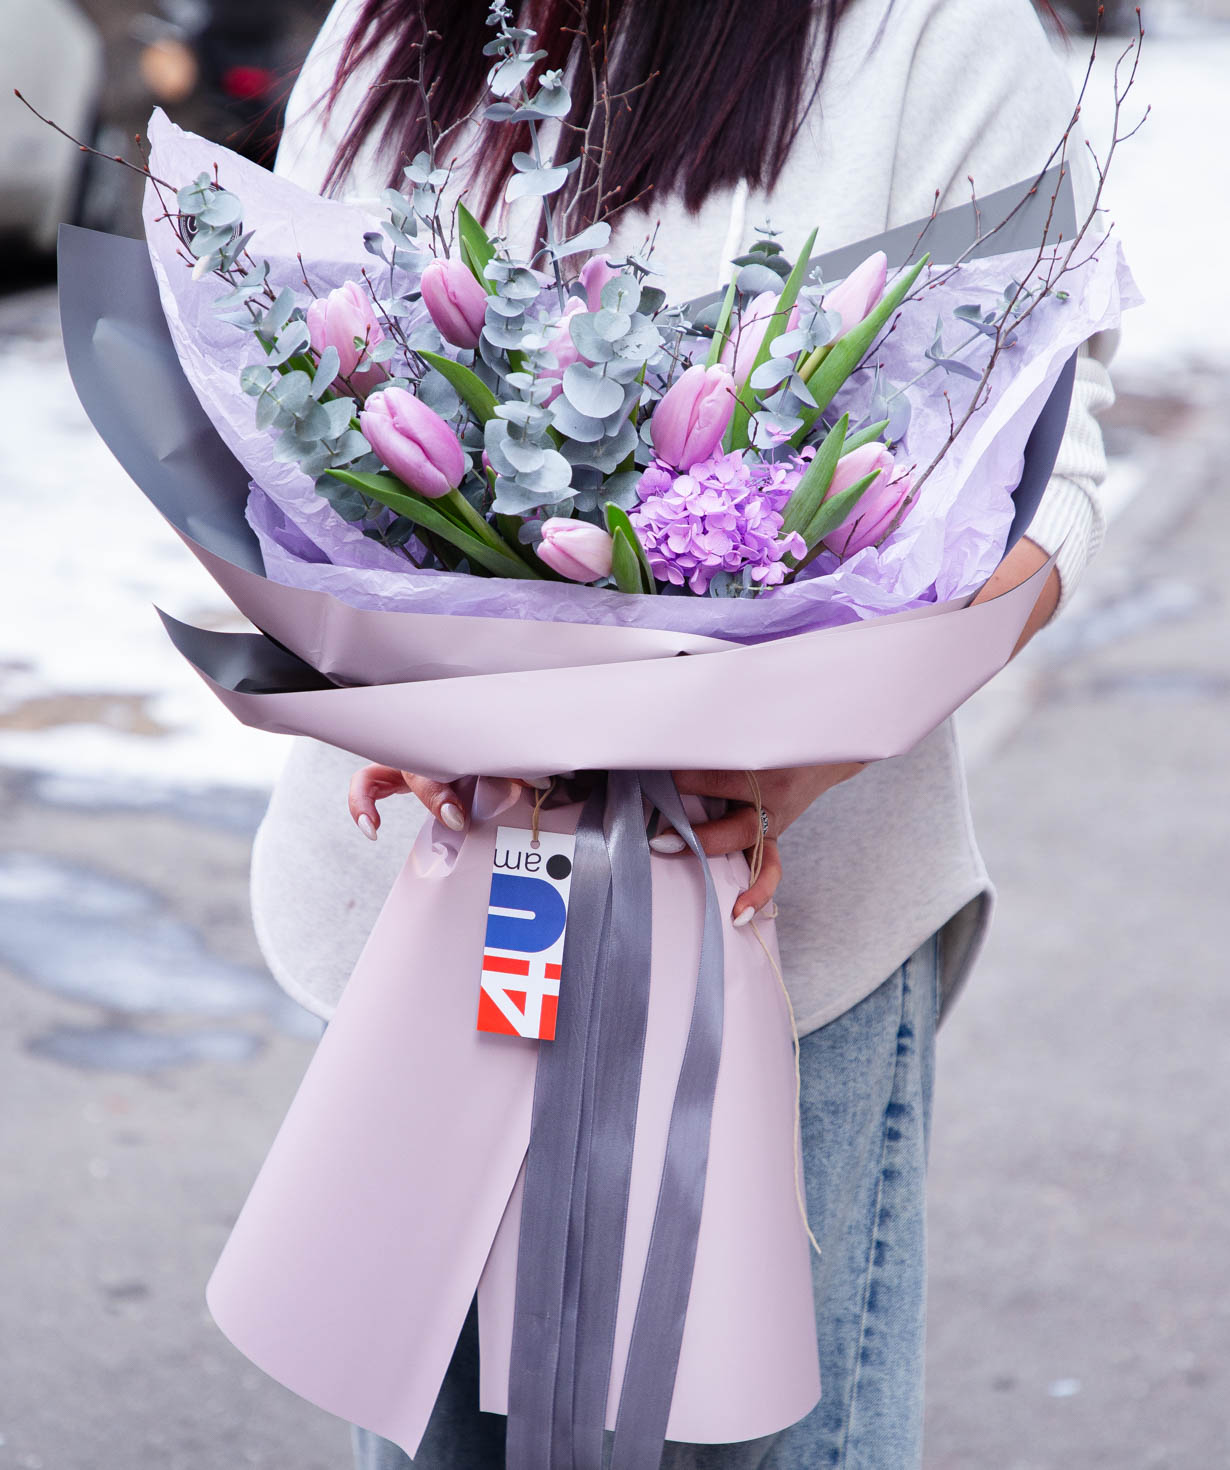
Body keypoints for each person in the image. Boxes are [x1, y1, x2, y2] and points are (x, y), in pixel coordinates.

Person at [260, 1, 1116, 1464]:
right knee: (444, 1426)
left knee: (750, 1427)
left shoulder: (934, 39)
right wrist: (388, 689)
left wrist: (793, 757)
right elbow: (283, 414)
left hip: (773, 941)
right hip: (444, 923)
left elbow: (1048, 474)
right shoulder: (391, 29)